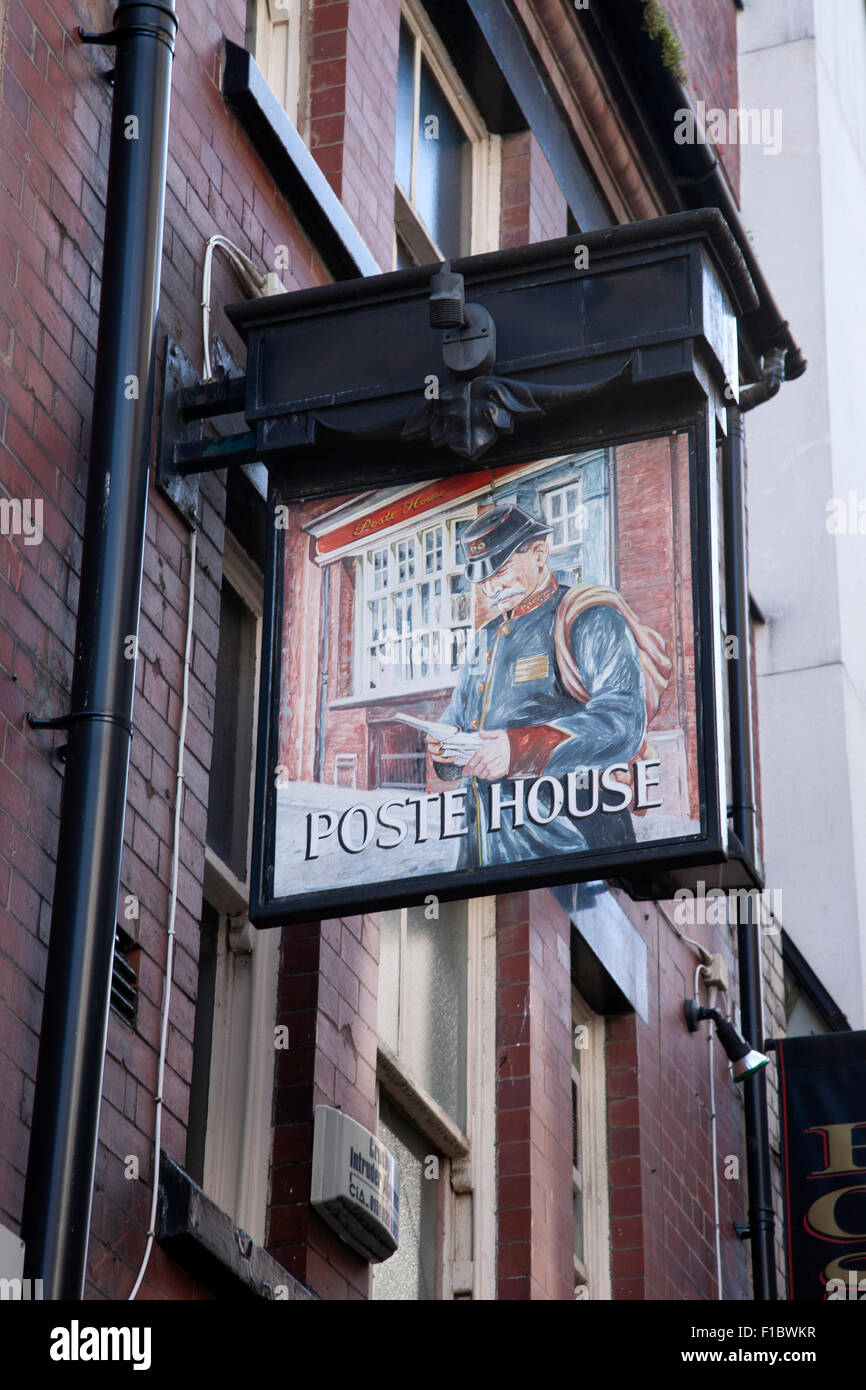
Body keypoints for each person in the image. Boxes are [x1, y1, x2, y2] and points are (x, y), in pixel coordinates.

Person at [427, 501, 669, 869]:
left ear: (539, 555)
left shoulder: (589, 615)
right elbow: (458, 720)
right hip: (483, 855)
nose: (493, 587)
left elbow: (622, 723)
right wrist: (443, 749)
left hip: (575, 852)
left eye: (503, 570)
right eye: (484, 578)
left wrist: (518, 750)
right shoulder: (484, 639)